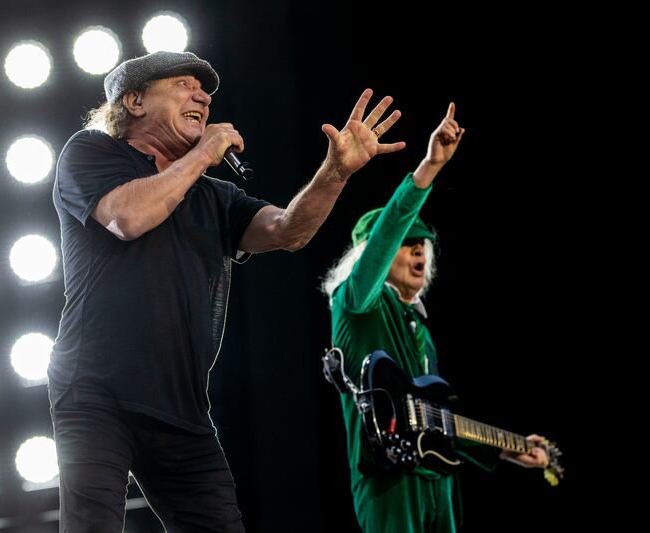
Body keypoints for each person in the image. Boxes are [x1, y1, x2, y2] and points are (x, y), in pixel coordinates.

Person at [48, 50, 407, 532]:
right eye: (182, 85)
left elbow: (287, 230)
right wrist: (201, 155)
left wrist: (335, 172)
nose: (202, 96)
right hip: (95, 391)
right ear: (133, 101)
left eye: (206, 93)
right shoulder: (91, 152)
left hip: (183, 406)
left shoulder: (215, 196)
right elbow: (125, 218)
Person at [321, 103, 549, 533]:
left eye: (423, 244)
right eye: (408, 244)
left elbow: (436, 417)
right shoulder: (356, 303)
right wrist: (428, 169)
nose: (418, 251)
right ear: (375, 253)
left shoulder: (421, 332)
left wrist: (504, 448)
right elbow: (388, 230)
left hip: (438, 481)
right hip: (388, 479)